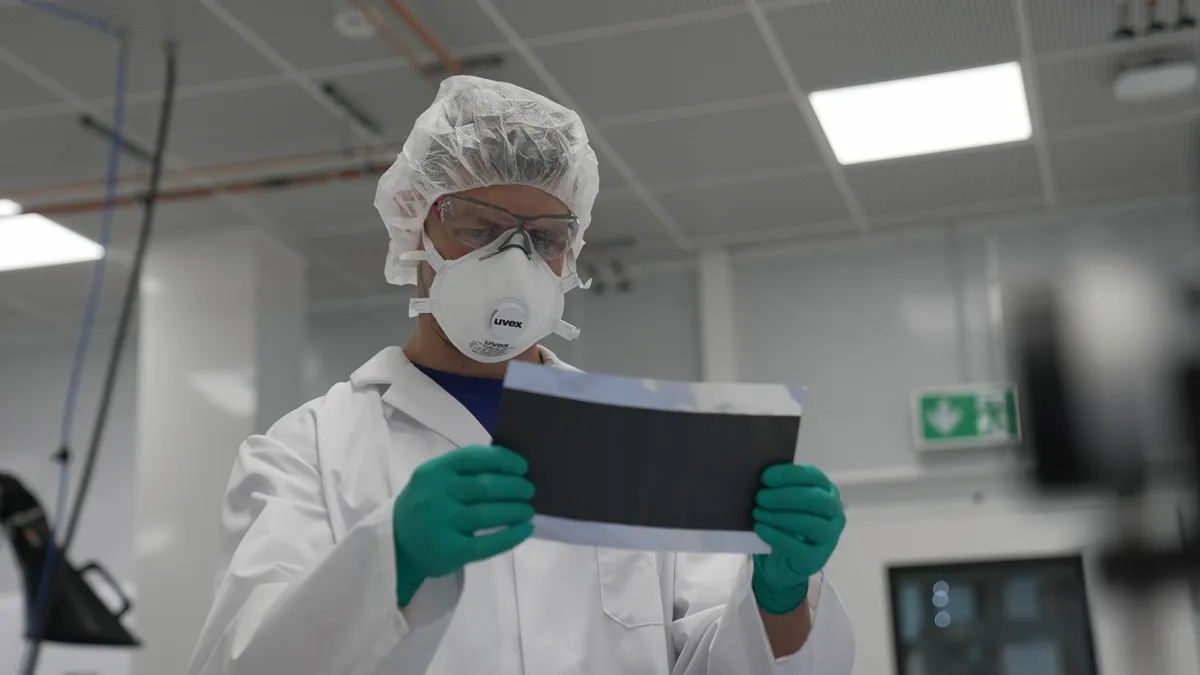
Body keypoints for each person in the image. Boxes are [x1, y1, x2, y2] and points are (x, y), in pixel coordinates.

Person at [188, 76, 854, 675]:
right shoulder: (308, 450)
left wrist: (780, 600)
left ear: (572, 252)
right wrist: (389, 560)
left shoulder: (637, 443)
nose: (513, 261)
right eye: (477, 227)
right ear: (414, 233)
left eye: (544, 238)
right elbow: (239, 662)